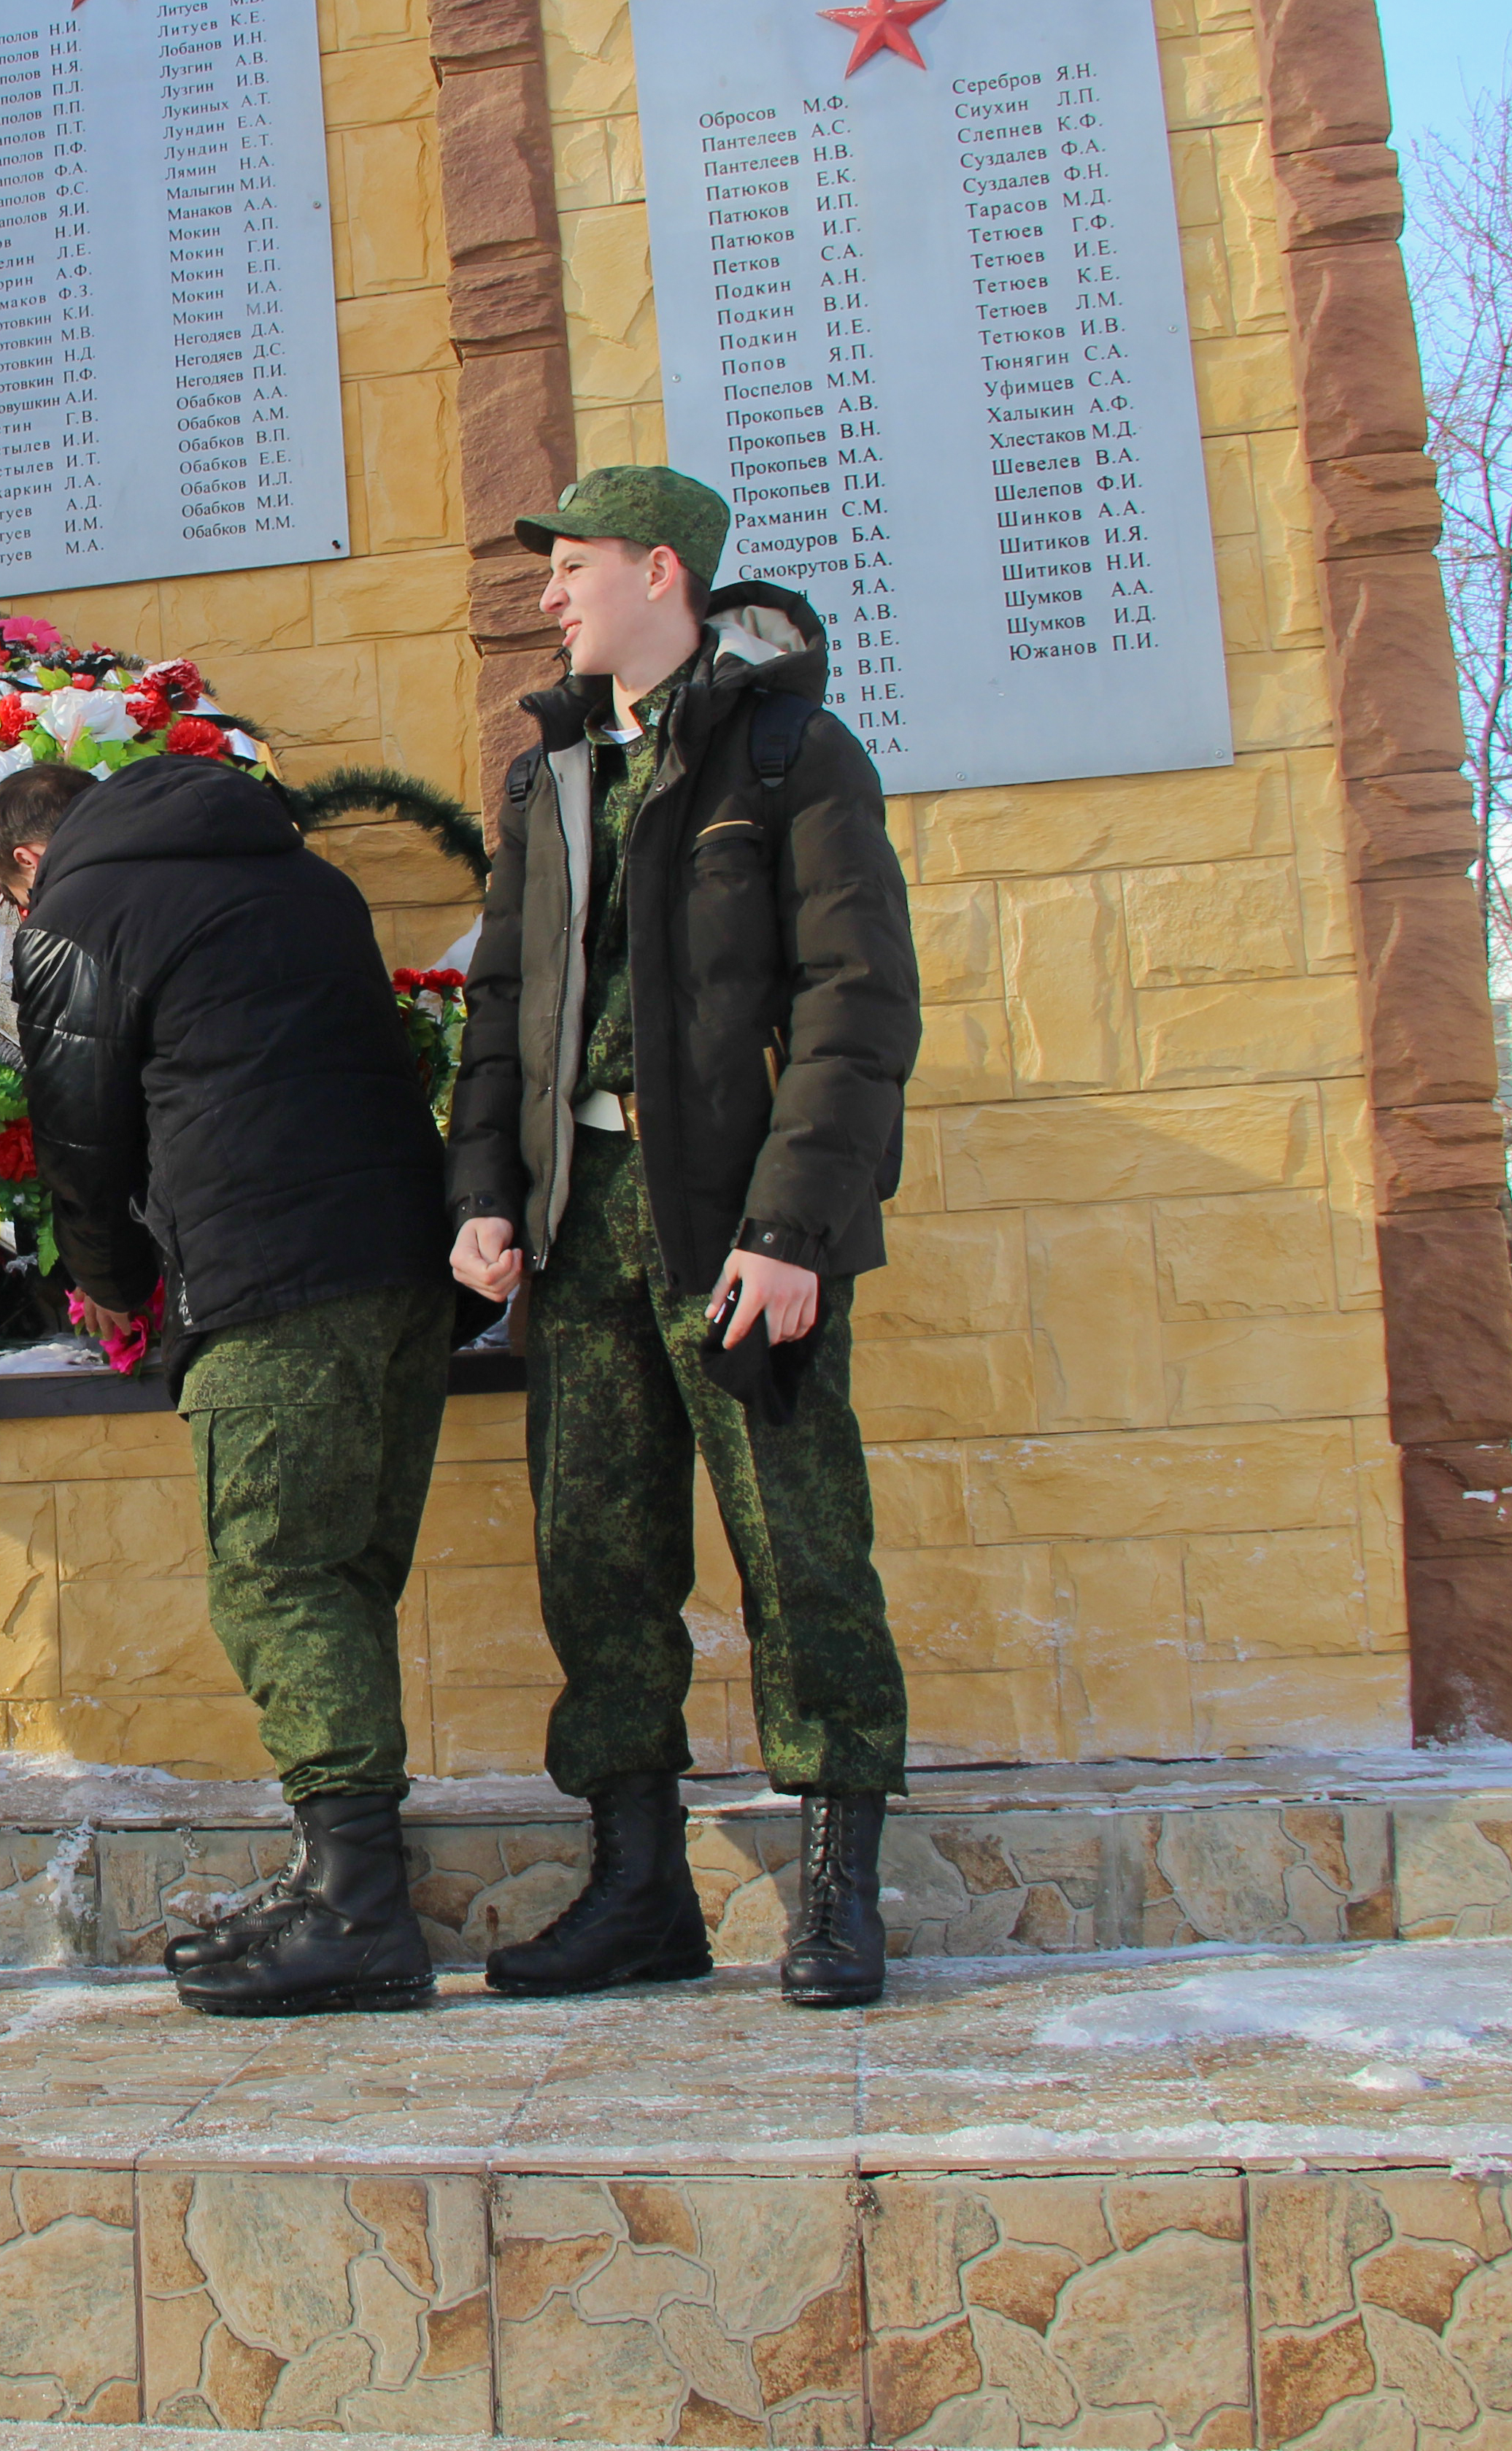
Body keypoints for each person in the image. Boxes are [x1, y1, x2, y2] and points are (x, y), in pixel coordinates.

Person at [446, 465, 922, 2009]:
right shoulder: (553, 776)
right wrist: (484, 1199)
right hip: (579, 1223)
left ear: (664, 572)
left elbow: (857, 1011)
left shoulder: (790, 753)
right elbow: (506, 1013)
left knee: (798, 1544)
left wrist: (795, 1225)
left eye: (572, 566)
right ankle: (638, 1887)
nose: (551, 596)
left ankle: (843, 1887)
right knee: (598, 1555)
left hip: (734, 1224)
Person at [0, 755, 463, 2019]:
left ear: (28, 865)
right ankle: (336, 1882)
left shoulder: (78, 918)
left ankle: (364, 1913)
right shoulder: (309, 880)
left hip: (269, 1279)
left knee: (280, 1580)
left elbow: (82, 1138)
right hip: (412, 1269)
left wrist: (109, 1284)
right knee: (345, 1570)